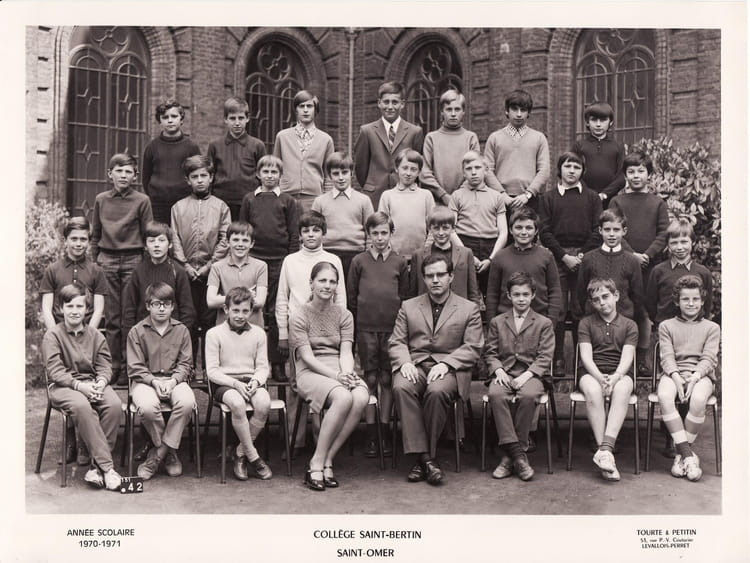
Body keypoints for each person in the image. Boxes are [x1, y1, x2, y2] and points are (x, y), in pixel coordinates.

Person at [389, 254, 484, 485]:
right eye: (430, 275)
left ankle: (422, 458)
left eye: (440, 275)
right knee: (401, 387)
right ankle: (427, 459)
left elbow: (473, 346)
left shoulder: (468, 308)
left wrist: (447, 363)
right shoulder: (409, 306)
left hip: (449, 367)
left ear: (451, 277)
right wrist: (405, 362)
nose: (435, 280)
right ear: (423, 278)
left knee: (437, 391)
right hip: (416, 364)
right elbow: (396, 341)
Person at [290, 262, 369, 490]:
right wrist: (337, 376)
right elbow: (307, 358)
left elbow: (346, 352)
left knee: (361, 396)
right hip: (310, 371)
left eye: (332, 281)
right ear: (311, 283)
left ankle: (326, 458)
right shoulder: (299, 315)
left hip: (339, 368)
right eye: (322, 280)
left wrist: (347, 373)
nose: (327, 286)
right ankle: (317, 463)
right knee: (343, 397)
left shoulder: (344, 315)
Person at [41, 282, 123, 491]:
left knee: (114, 405)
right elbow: (55, 371)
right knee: (82, 406)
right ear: (61, 308)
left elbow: (105, 366)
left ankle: (96, 469)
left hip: (92, 383)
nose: (75, 311)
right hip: (63, 386)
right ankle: (107, 468)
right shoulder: (53, 336)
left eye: (79, 306)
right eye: (70, 306)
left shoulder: (96, 335)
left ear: (87, 309)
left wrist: (100, 383)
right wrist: (80, 386)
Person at [276, 211, 346, 451]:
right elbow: (282, 298)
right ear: (300, 235)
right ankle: (294, 441)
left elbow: (341, 298)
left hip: (327, 330)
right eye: (306, 231)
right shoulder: (290, 261)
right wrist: (283, 333)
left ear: (323, 233)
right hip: (298, 330)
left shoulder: (333, 260)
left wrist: (340, 329)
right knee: (297, 386)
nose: (311, 235)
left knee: (327, 381)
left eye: (316, 230)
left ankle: (322, 441)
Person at [347, 211, 409, 458]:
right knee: (370, 379)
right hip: (365, 329)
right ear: (368, 234)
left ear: (391, 233)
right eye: (375, 233)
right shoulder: (358, 261)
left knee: (387, 379)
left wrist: (400, 331)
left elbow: (404, 298)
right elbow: (352, 298)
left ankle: (385, 430)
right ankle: (371, 433)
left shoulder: (399, 262)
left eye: (384, 233)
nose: (380, 238)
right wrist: (354, 331)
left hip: (392, 331)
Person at [483, 272, 554, 481]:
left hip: (532, 375)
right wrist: (498, 370)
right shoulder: (497, 322)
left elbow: (545, 356)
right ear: (508, 296)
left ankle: (510, 457)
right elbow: (490, 353)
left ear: (533, 295)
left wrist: (526, 376)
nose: (521, 299)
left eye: (525, 294)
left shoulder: (543, 323)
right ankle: (519, 456)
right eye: (516, 295)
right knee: (496, 394)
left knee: (528, 395)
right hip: (504, 373)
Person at [91, 152, 153, 383]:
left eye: (128, 171)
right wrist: (95, 261)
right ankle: (113, 366)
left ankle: (130, 367)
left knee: (130, 316)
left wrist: (144, 264)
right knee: (111, 317)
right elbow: (95, 234)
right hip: (107, 260)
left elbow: (148, 235)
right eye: (119, 170)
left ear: (135, 176)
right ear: (110, 174)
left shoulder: (142, 201)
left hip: (133, 260)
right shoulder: (101, 200)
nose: (123, 175)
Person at [538, 151, 602, 376]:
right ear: (560, 169)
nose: (572, 171)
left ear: (582, 171)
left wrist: (582, 255)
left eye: (576, 167)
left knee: (580, 309)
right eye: (567, 166)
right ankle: (557, 360)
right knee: (557, 310)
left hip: (585, 257)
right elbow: (544, 231)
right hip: (557, 257)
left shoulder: (592, 198)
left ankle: (581, 362)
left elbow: (598, 230)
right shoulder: (549, 198)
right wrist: (564, 256)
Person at [239, 154, 300, 381]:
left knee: (276, 311)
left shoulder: (287, 201)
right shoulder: (249, 200)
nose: (270, 176)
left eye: (274, 172)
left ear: (281, 175)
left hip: (279, 261)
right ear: (258, 174)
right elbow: (243, 230)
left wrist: (289, 260)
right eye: (265, 171)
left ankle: (277, 363)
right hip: (254, 260)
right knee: (251, 307)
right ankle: (249, 361)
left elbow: (294, 234)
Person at [126, 282, 195, 480]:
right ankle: (169, 452)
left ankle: (157, 455)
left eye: (166, 304)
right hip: (146, 381)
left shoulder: (182, 330)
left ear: (173, 306)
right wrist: (154, 382)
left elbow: (185, 364)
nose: (162, 308)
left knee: (187, 402)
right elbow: (135, 366)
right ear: (148, 306)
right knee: (148, 407)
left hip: (174, 380)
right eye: (157, 304)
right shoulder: (136, 331)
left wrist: (173, 382)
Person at [205, 286, 274, 481]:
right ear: (226, 309)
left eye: (245, 311)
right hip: (224, 382)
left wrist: (256, 381)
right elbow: (212, 371)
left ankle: (240, 452)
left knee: (264, 403)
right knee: (237, 403)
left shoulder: (259, 334)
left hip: (250, 381)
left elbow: (263, 367)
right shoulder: (214, 334)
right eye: (235, 310)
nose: (240, 315)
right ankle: (253, 456)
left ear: (251, 311)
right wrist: (235, 384)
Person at [610, 151, 670, 373]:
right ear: (625, 175)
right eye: (631, 171)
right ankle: (618, 358)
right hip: (622, 263)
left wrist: (647, 255)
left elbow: (663, 233)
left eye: (641, 171)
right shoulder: (617, 201)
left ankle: (642, 360)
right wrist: (631, 254)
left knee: (643, 310)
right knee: (623, 308)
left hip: (649, 266)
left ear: (649, 174)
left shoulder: (658, 203)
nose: (636, 176)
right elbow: (613, 229)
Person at [656, 275, 720, 482]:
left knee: (698, 399)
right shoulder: (666, 326)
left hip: (701, 375)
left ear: (702, 301)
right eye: (685, 299)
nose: (691, 303)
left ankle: (681, 456)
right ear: (677, 301)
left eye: (695, 299)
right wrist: (676, 378)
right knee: (664, 396)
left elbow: (709, 358)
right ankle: (688, 457)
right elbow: (667, 356)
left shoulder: (712, 328)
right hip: (673, 373)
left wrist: (693, 379)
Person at [171, 154, 231, 371]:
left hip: (211, 272)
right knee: (187, 320)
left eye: (203, 176)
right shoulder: (178, 207)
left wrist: (209, 266)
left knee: (208, 320)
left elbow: (225, 238)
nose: (199, 180)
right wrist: (185, 265)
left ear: (211, 177)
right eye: (194, 177)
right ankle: (186, 368)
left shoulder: (221, 207)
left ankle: (208, 369)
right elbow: (175, 238)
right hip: (185, 272)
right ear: (187, 180)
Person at [577, 278, 638, 481]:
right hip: (591, 372)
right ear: (592, 303)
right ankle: (605, 452)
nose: (602, 303)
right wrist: (600, 378)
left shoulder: (630, 325)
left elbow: (627, 357)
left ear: (616, 296)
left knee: (622, 389)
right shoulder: (586, 323)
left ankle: (605, 450)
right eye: (596, 300)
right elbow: (586, 357)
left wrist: (615, 377)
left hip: (620, 372)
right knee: (593, 390)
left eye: (605, 296)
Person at [419, 89, 503, 205]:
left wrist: (458, 195)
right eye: (449, 109)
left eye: (457, 109)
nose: (453, 114)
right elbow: (425, 173)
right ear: (442, 112)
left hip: (466, 200)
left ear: (463, 112)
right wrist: (443, 195)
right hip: (437, 202)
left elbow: (475, 169)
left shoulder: (470, 137)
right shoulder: (431, 138)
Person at [353, 81, 425, 209]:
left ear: (402, 104)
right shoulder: (367, 131)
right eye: (386, 102)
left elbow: (417, 166)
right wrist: (371, 186)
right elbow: (360, 167)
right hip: (374, 196)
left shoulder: (415, 132)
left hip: (404, 195)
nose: (390, 107)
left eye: (395, 102)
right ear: (379, 103)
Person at [485, 206, 562, 325]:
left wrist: (551, 321)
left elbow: (555, 291)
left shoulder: (546, 256)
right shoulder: (500, 257)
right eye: (519, 227)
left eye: (529, 228)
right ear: (511, 230)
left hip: (539, 321)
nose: (524, 232)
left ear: (536, 231)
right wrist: (492, 324)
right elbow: (492, 294)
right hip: (506, 323)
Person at [448, 151, 508, 297]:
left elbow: (503, 232)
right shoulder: (457, 195)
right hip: (464, 244)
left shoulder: (497, 196)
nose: (473, 172)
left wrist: (491, 259)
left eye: (478, 167)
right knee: (465, 294)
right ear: (464, 173)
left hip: (491, 247)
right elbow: (450, 229)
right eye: (469, 169)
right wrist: (467, 254)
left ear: (486, 170)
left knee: (492, 294)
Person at [122, 221, 195, 338]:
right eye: (151, 241)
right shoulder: (138, 272)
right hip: (144, 336)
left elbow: (187, 310)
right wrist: (131, 339)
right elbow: (129, 310)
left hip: (171, 335)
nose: (156, 245)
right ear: (145, 246)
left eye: (161, 240)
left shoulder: (178, 272)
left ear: (170, 244)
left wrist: (179, 337)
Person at [312, 152, 374, 282]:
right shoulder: (320, 201)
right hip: (327, 253)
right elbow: (314, 230)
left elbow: (371, 231)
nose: (341, 177)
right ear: (330, 176)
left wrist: (367, 256)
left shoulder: (363, 200)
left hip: (356, 254)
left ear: (351, 173)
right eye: (336, 173)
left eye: (344, 172)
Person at [484, 89, 550, 211]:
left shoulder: (539, 138)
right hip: (500, 200)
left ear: (528, 113)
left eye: (523, 110)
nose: (519, 114)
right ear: (507, 111)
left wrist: (528, 194)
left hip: (530, 200)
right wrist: (502, 194)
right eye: (514, 109)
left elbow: (544, 170)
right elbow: (487, 170)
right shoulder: (494, 138)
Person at [576, 209, 644, 322]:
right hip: (594, 320)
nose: (611, 234)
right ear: (600, 230)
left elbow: (637, 296)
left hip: (623, 320)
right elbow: (581, 292)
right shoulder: (588, 258)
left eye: (616, 230)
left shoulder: (632, 261)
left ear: (624, 231)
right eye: (607, 230)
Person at [273, 90, 335, 214]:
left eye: (309, 106)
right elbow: (275, 169)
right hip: (286, 197)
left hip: (314, 199)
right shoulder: (282, 137)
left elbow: (329, 175)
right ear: (296, 110)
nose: (305, 110)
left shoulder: (326, 140)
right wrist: (276, 195)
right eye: (301, 106)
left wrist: (327, 201)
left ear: (315, 109)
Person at [41, 217, 107, 332]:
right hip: (58, 331)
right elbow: (46, 309)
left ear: (89, 242)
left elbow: (98, 309)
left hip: (86, 332)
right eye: (74, 239)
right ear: (65, 240)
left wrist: (88, 336)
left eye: (83, 239)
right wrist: (55, 336)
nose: (78, 244)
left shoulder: (97, 271)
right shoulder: (52, 270)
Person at [646, 217, 714, 326]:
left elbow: (707, 305)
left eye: (684, 242)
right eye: (674, 243)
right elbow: (650, 304)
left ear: (692, 242)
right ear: (668, 245)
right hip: (666, 328)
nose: (679, 247)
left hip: (695, 327)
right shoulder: (658, 271)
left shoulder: (703, 273)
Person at [207, 96, 267, 220]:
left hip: (249, 202)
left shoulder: (257, 145)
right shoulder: (215, 145)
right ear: (225, 119)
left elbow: (264, 176)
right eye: (232, 118)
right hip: (221, 202)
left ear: (247, 118)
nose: (237, 123)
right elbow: (210, 175)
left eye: (241, 118)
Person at [141, 99, 200, 223]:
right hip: (157, 205)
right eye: (165, 117)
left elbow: (197, 174)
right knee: (159, 233)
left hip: (184, 202)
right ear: (159, 121)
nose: (170, 120)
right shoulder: (152, 147)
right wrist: (155, 193)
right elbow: (146, 177)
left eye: (174, 116)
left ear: (181, 119)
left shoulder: (191, 147)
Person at [410, 206, 481, 307]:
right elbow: (413, 293)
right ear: (429, 229)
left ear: (453, 228)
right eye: (436, 228)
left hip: (459, 310)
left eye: (445, 228)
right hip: (426, 309)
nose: (441, 233)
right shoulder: (418, 255)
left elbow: (473, 292)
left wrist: (474, 313)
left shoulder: (466, 254)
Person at [206, 221, 267, 329]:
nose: (240, 244)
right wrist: (247, 295)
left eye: (245, 240)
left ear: (252, 244)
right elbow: (211, 301)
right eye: (235, 240)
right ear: (227, 242)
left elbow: (260, 302)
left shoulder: (261, 266)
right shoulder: (217, 267)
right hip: (225, 329)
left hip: (253, 328)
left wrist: (223, 298)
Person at [377, 149, 434, 262]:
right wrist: (389, 251)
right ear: (397, 168)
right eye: (404, 168)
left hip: (421, 257)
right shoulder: (387, 196)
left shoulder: (426, 195)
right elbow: (381, 227)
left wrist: (426, 249)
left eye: (413, 169)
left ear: (419, 172)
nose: (408, 173)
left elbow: (433, 226)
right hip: (393, 256)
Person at [571, 102, 625, 206]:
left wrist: (604, 194)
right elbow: (573, 171)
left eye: (603, 120)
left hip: (610, 200)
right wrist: (589, 194)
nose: (598, 124)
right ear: (587, 122)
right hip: (584, 199)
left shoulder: (617, 146)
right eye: (594, 120)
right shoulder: (579, 145)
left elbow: (621, 176)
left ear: (610, 122)